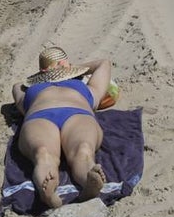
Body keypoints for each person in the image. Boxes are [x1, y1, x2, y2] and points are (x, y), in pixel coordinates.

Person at [12, 47, 112, 208]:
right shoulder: (83, 86)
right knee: (44, 153)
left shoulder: (30, 89)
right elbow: (17, 86)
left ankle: (90, 180)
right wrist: (67, 68)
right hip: (56, 114)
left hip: (55, 114)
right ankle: (49, 193)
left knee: (80, 149)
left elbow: (104, 63)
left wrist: (57, 70)